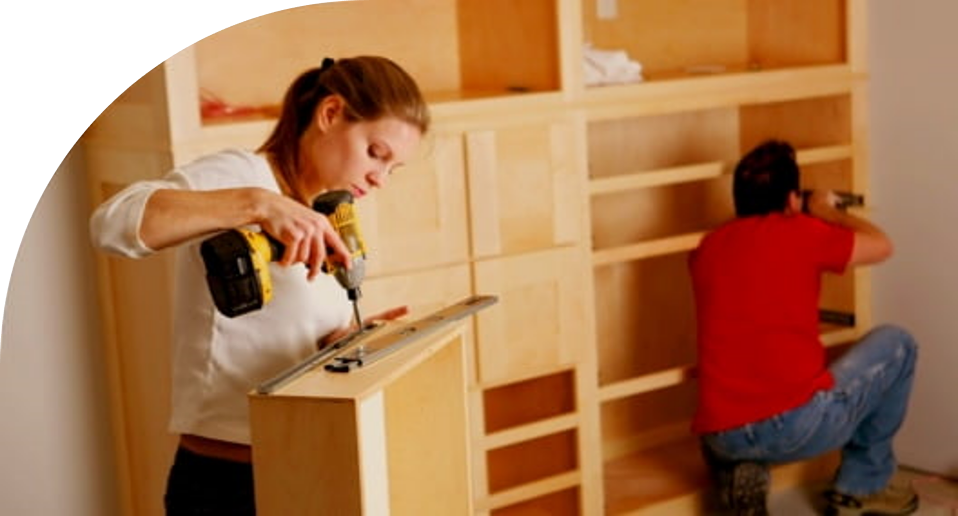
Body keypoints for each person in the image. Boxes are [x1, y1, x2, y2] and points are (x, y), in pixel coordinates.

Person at [89, 56, 431, 516]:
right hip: (227, 484)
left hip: (311, 467)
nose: (380, 179)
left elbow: (284, 343)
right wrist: (256, 204)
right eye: (376, 153)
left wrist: (346, 343)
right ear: (330, 114)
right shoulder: (242, 177)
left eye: (394, 169)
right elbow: (110, 226)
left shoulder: (329, 214)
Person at [688, 139, 919, 516]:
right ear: (793, 200)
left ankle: (741, 470)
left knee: (750, 405)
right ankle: (862, 486)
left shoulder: (707, 249)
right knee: (899, 344)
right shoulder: (803, 233)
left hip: (721, 434)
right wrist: (827, 211)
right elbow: (882, 246)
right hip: (793, 427)